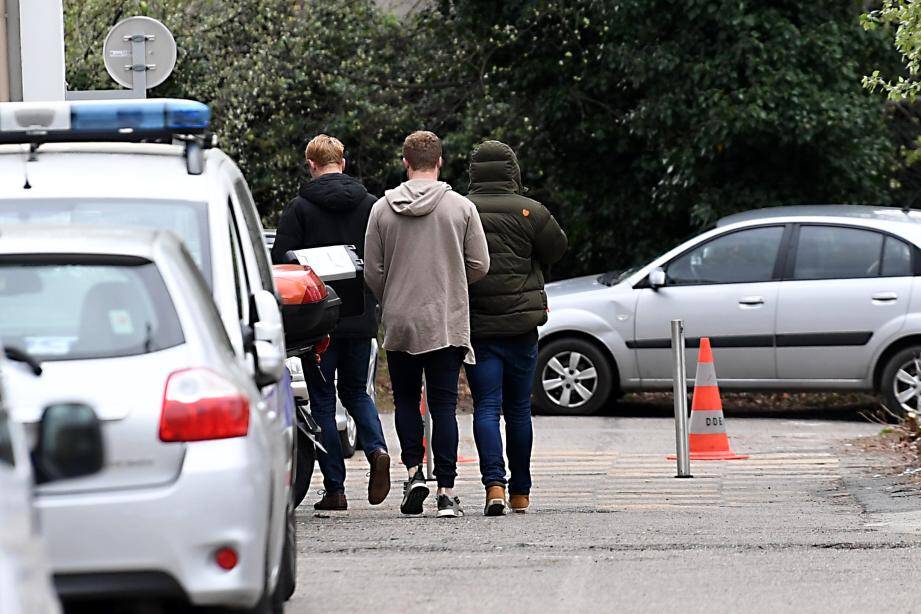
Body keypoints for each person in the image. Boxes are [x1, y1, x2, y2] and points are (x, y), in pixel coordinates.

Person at [364, 130, 490, 518]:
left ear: (405, 162)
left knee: (405, 401)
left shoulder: (382, 209)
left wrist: (395, 292)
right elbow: (480, 264)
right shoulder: (460, 208)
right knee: (444, 406)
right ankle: (447, 492)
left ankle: (415, 473)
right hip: (444, 318)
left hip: (401, 317)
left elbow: (372, 270)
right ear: (440, 162)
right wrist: (451, 283)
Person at [271, 134, 390, 513]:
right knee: (357, 392)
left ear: (311, 164)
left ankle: (335, 489)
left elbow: (282, 266)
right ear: (344, 160)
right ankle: (377, 449)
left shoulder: (299, 209)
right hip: (359, 315)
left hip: (318, 322)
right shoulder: (372, 206)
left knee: (323, 400)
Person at [464, 140, 567, 515]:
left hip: (477, 325)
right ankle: (521, 493)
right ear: (513, 170)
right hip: (521, 326)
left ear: (473, 171)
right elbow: (556, 249)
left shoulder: (463, 209)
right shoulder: (531, 211)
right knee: (519, 410)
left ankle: (494, 486)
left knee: (486, 407)